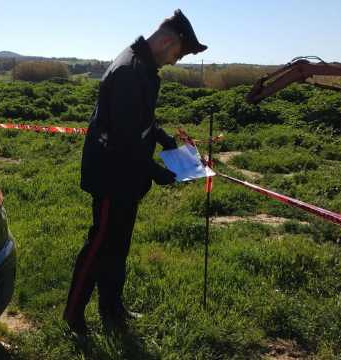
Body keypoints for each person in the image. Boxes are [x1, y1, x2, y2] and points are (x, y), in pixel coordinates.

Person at [64, 9, 208, 336]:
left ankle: (111, 307)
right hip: (111, 174)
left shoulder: (142, 65)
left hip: (127, 176)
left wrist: (162, 137)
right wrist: (158, 171)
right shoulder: (131, 70)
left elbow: (138, 119)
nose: (176, 61)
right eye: (178, 54)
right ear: (167, 41)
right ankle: (73, 316)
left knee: (119, 244)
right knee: (100, 244)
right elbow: (124, 139)